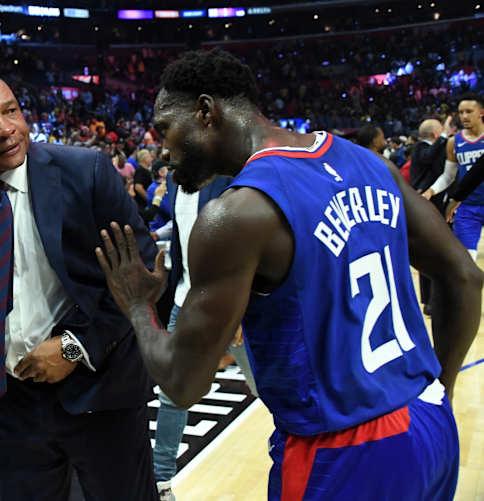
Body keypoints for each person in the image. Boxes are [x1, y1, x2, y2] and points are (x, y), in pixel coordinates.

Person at [95, 50, 482, 501]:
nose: (163, 151)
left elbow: (183, 383)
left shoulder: (236, 214)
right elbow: (464, 277)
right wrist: (442, 389)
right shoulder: (366, 161)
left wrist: (139, 307)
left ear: (205, 111)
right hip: (427, 420)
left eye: (165, 129)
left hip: (341, 451)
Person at [0, 70, 158, 501]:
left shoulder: (85, 171)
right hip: (12, 405)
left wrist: (74, 346)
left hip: (100, 390)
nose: (6, 129)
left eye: (10, 111)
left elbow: (143, 278)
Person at [152, 172, 256, 501]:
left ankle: (299, 448)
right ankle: (161, 481)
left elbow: (243, 245)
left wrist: (238, 307)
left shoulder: (225, 178)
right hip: (185, 304)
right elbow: (182, 230)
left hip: (227, 307)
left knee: (264, 384)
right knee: (173, 392)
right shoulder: (171, 181)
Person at [424, 93, 484, 260]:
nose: (464, 116)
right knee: (466, 259)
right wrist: (431, 191)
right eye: (461, 112)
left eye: (469, 111)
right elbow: (448, 176)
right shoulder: (454, 142)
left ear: (481, 112)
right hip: (467, 206)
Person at [409, 116, 453, 315]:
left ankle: (434, 299)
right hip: (425, 205)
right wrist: (444, 136)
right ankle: (429, 300)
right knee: (430, 253)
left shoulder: (434, 151)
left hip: (436, 203)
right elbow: (429, 156)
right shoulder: (419, 148)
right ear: (435, 134)